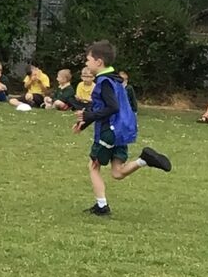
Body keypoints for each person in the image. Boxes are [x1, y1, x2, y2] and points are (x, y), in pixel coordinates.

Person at [73, 40, 171, 215]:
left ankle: (102, 206)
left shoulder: (104, 82)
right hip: (121, 130)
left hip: (108, 132)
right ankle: (144, 160)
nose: (86, 64)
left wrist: (88, 116)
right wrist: (85, 122)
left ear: (98, 62)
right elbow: (102, 106)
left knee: (93, 166)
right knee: (117, 172)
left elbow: (112, 107)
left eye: (88, 60)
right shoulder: (115, 80)